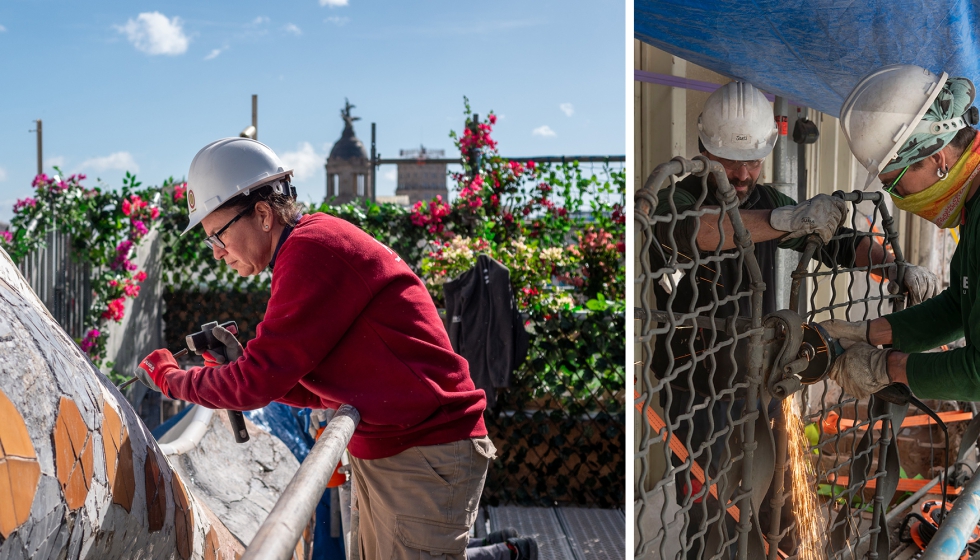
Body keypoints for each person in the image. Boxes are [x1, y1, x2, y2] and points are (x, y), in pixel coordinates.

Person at [133, 137, 537, 560]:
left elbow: (256, 382)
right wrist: (241, 367)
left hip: (423, 454)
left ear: (264, 214)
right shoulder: (308, 245)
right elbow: (318, 382)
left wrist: (171, 377)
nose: (216, 253)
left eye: (217, 235)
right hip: (407, 449)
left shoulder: (311, 252)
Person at [649, 80, 940, 557]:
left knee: (780, 498)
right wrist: (785, 223)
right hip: (697, 387)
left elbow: (840, 241)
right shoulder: (676, 199)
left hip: (764, 375)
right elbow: (697, 233)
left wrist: (894, 268)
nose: (743, 173)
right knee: (715, 509)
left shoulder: (765, 197)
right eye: (730, 160)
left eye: (754, 159)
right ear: (703, 150)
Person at [821, 64, 980, 402]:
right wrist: (870, 333)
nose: (897, 196)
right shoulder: (972, 206)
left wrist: (887, 367)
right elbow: (958, 307)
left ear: (936, 157)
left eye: (894, 182)